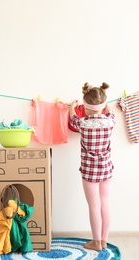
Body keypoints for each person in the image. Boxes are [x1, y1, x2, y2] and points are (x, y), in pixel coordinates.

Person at [69, 82, 115, 251]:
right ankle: (103, 240)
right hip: (106, 169)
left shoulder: (82, 123)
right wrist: (103, 95)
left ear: (85, 107)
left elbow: (72, 117)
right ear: (102, 106)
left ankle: (96, 242)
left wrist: (71, 107)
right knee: (105, 203)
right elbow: (108, 110)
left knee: (94, 205)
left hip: (89, 171)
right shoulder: (110, 122)